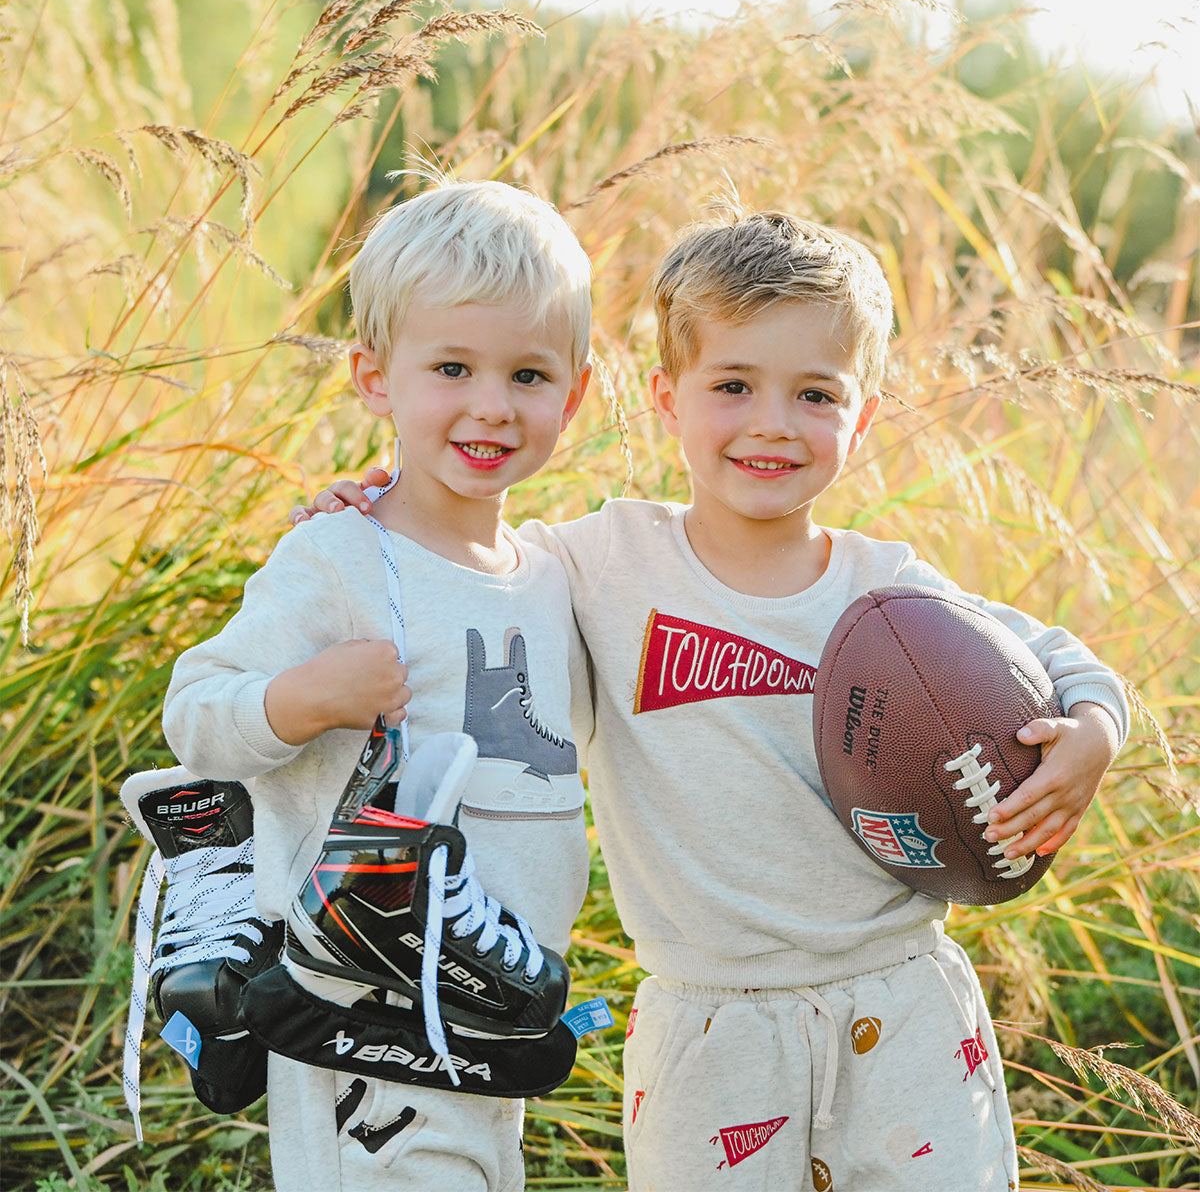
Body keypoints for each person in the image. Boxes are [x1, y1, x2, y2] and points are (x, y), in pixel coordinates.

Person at [302, 208, 1128, 1191]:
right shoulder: (597, 562)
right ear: (665, 397)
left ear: (859, 419)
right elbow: (462, 566)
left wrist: (1093, 735)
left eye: (815, 393)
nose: (772, 423)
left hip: (901, 1003)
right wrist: (374, 506)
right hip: (710, 1024)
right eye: (732, 385)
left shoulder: (896, 602)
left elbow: (1065, 661)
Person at [158, 178, 594, 1192]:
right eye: (452, 367)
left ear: (574, 392)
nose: (492, 403)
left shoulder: (555, 577)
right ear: (373, 378)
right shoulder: (342, 560)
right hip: (363, 1025)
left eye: (528, 373)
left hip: (494, 1010)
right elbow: (195, 710)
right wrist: (303, 698)